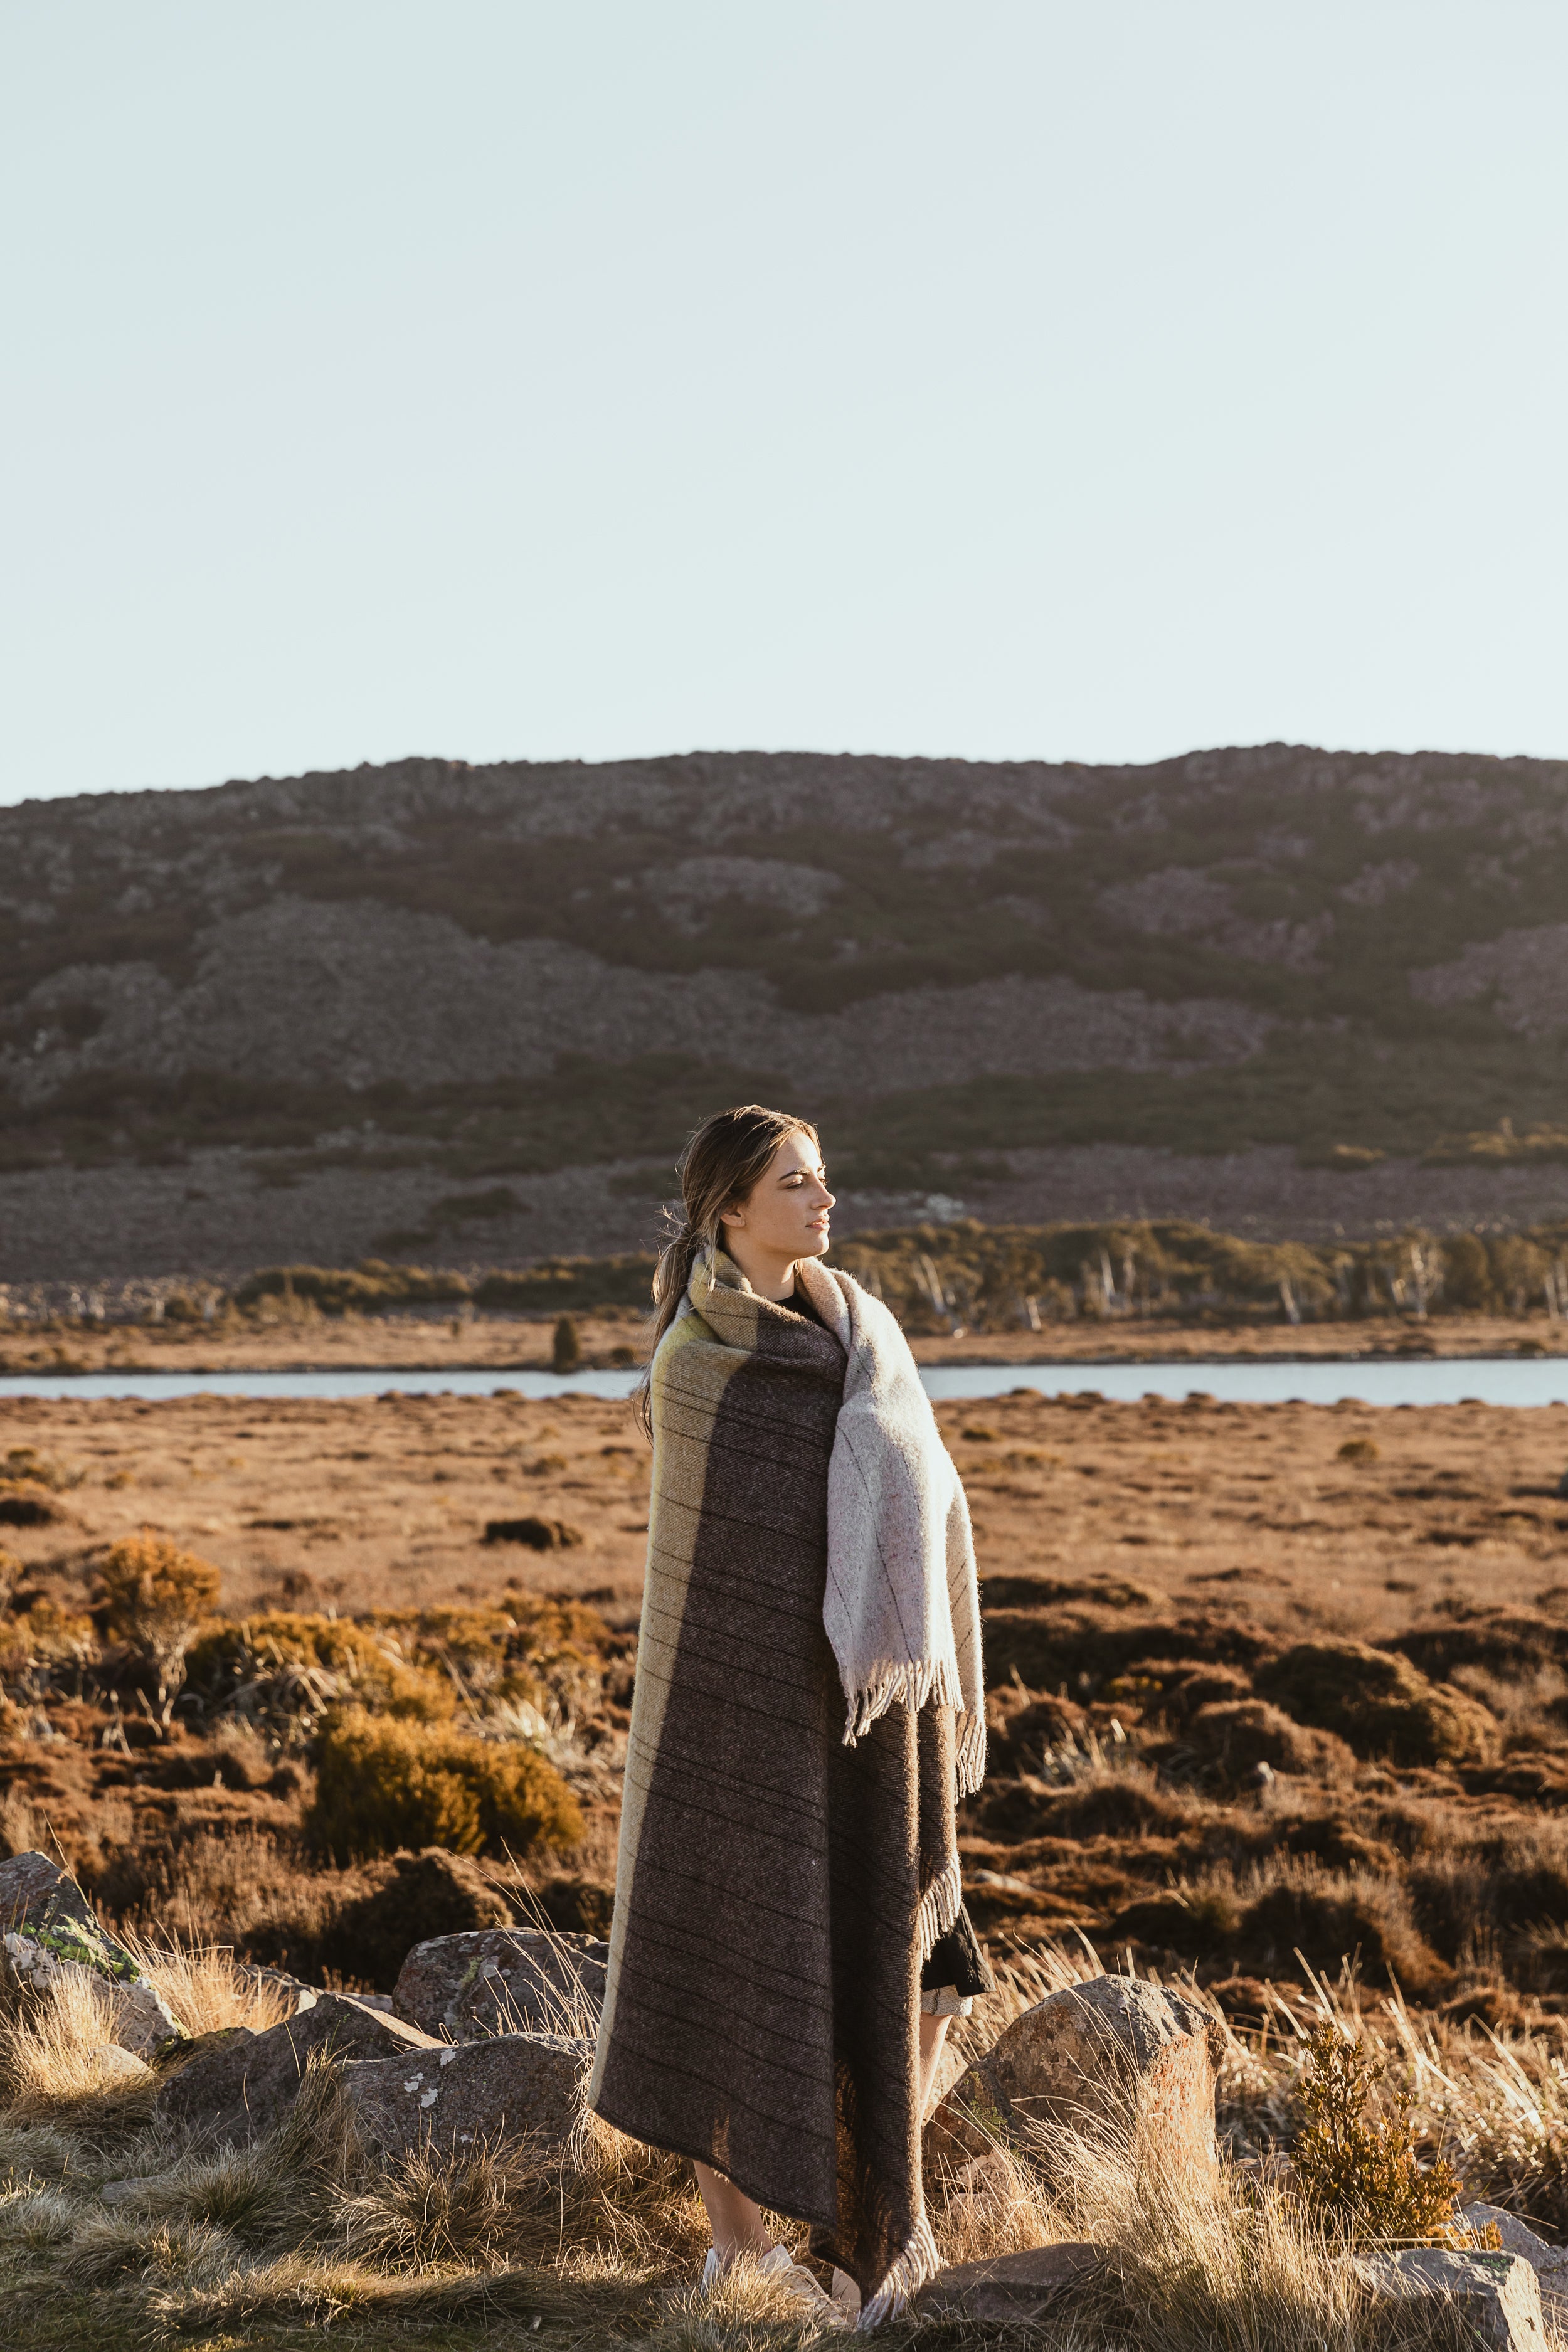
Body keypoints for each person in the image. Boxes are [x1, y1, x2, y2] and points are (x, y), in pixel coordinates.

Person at [588, 1104, 989, 2328]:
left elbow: (924, 1514)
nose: (824, 1201)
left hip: (871, 1715)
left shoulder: (864, 1333)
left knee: (917, 1966)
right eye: (796, 1183)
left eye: (823, 1179)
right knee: (728, 1958)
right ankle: (739, 2250)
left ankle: (866, 2230)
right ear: (729, 1209)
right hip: (738, 1719)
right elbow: (708, 1584)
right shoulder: (698, 1363)